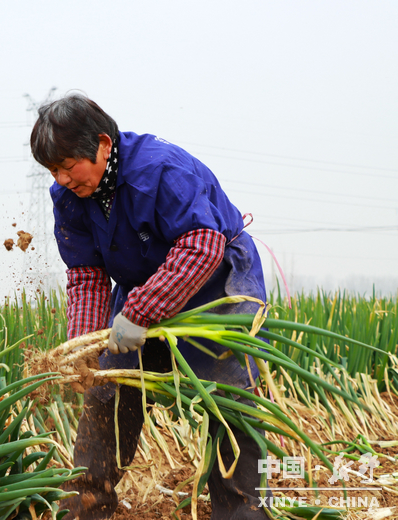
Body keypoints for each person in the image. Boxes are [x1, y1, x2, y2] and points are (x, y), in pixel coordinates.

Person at [30, 94, 270, 520]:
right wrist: (85, 348)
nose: (63, 179)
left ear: (103, 145)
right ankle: (84, 507)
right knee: (108, 390)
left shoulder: (159, 169)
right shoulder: (68, 197)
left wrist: (140, 313)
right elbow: (86, 273)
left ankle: (242, 513)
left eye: (69, 167)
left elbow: (202, 245)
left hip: (215, 287)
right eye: (53, 171)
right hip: (145, 289)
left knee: (230, 403)